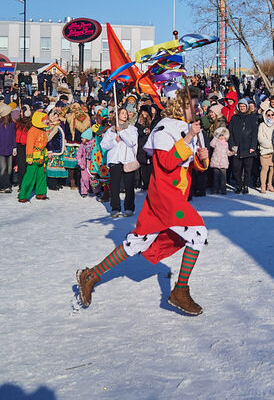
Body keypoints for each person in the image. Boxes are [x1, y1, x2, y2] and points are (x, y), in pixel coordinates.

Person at [76, 89, 210, 316]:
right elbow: (167, 162)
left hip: (173, 193)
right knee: (198, 234)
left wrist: (201, 158)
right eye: (193, 106)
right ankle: (180, 290)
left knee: (136, 242)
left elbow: (188, 163)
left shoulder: (189, 128)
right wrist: (188, 138)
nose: (196, 110)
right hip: (165, 195)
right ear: (181, 106)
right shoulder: (165, 128)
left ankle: (90, 275)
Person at [227, 99, 257, 194]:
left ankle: (245, 185)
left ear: (247, 107)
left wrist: (253, 146)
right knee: (236, 168)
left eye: (243, 106)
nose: (242, 108)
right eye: (240, 106)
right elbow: (230, 132)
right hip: (237, 147)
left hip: (248, 147)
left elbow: (254, 133)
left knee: (248, 169)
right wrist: (232, 145)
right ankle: (239, 185)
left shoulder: (252, 117)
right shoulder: (234, 118)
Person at [18, 111, 50, 203]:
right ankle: (23, 195)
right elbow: (29, 145)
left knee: (42, 175)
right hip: (34, 157)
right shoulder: (32, 130)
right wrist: (29, 158)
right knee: (30, 176)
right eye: (45, 119)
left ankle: (41, 192)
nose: (47, 121)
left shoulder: (43, 130)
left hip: (42, 157)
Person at [0, 103, 17, 193]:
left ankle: (6, 183)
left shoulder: (11, 124)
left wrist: (14, 147)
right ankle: (2, 186)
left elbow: (13, 136)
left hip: (9, 149)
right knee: (2, 169)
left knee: (8, 169)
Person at [256, 104, 274, 193]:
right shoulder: (262, 125)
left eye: (272, 115)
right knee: (265, 168)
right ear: (265, 115)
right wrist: (269, 144)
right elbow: (260, 137)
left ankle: (270, 184)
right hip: (265, 150)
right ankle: (263, 185)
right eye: (268, 115)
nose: (271, 117)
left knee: (273, 169)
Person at [209, 126, 233, 195]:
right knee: (215, 178)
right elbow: (211, 144)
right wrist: (216, 137)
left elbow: (227, 152)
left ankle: (223, 190)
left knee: (223, 178)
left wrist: (232, 153)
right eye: (220, 136)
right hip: (215, 162)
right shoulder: (215, 142)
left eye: (223, 136)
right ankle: (214, 190)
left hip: (223, 162)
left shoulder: (226, 144)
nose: (221, 137)